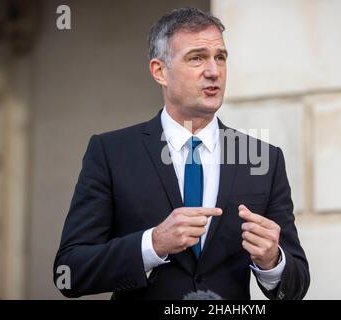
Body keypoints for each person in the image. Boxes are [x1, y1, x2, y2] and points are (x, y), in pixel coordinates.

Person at [53, 7, 309, 300]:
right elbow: (69, 272)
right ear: (160, 71)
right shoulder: (111, 153)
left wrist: (272, 261)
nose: (213, 71)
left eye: (220, 57)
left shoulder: (263, 158)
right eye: (197, 58)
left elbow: (297, 285)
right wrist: (153, 244)